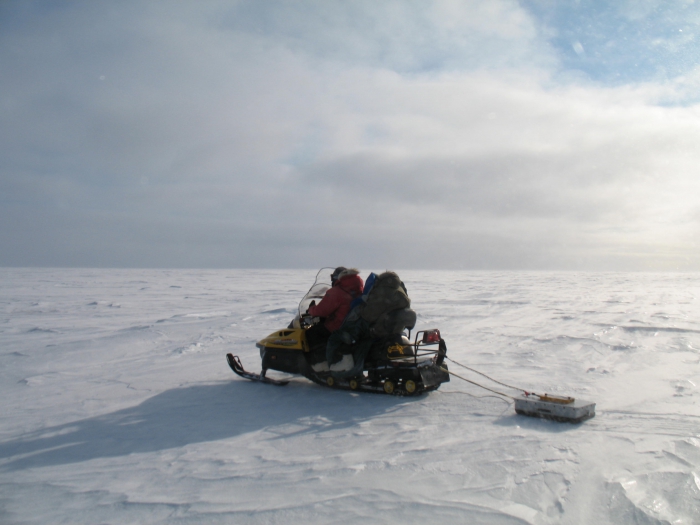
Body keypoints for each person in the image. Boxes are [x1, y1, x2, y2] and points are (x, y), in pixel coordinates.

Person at [306, 267, 363, 372]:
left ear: (337, 277)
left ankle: (321, 363)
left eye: (332, 277)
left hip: (338, 325)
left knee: (311, 333)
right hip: (352, 325)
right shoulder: (358, 289)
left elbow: (321, 311)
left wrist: (311, 310)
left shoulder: (337, 291)